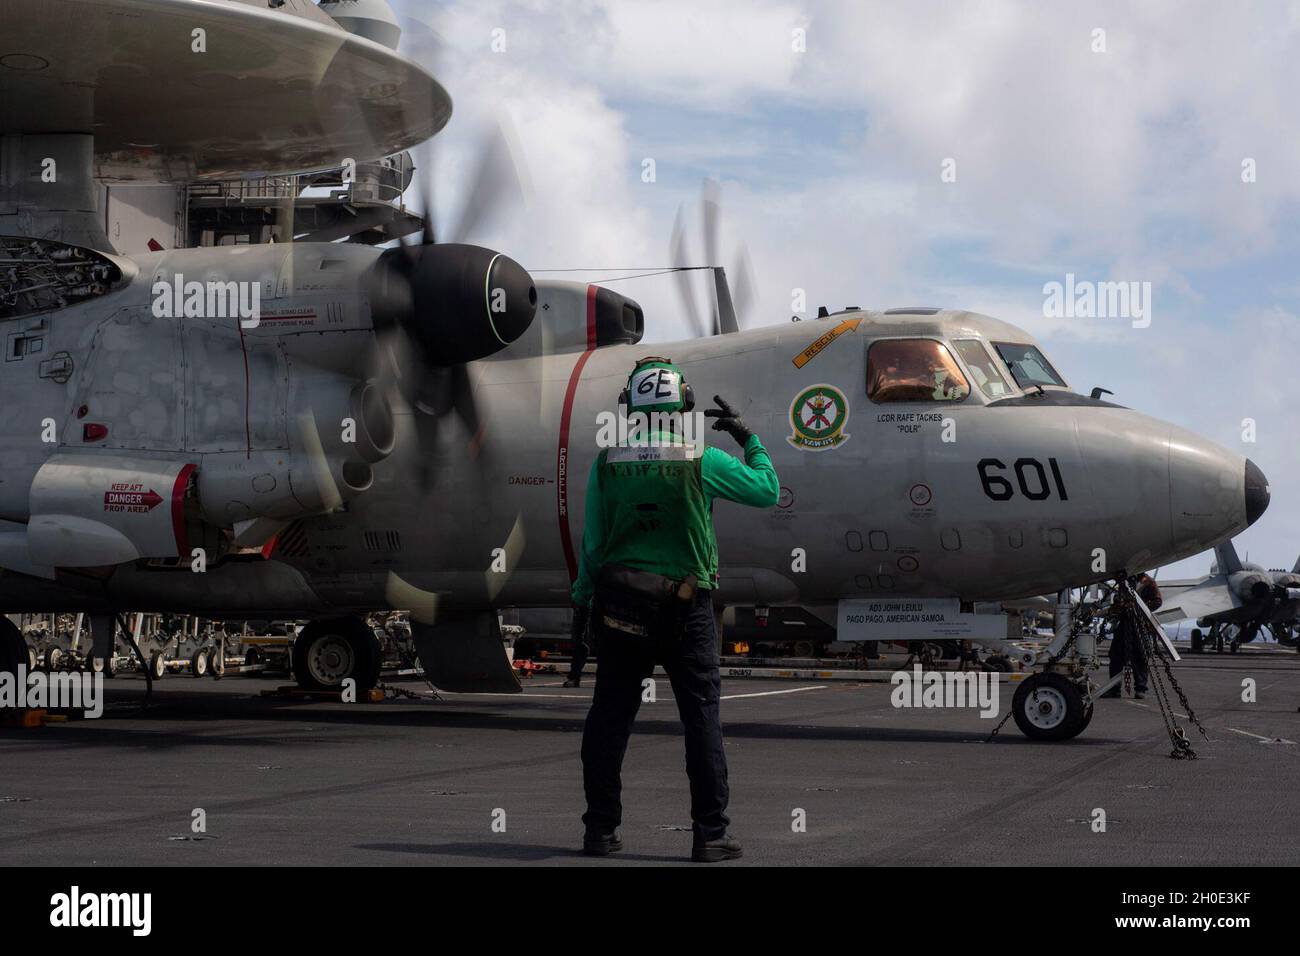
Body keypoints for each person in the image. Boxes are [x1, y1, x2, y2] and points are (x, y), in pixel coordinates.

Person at [572, 356, 779, 861]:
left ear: (629, 405)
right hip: (686, 608)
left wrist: (582, 606)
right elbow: (767, 490)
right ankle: (710, 835)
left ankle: (600, 831)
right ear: (684, 402)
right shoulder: (700, 457)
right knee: (701, 719)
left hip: (619, 608)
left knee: (608, 719)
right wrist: (748, 438)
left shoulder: (607, 463)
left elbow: (594, 547)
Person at [1103, 572, 1163, 699]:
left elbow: (1157, 601)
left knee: (1140, 656)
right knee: (1116, 656)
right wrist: (1119, 606)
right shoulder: (1125, 582)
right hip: (1125, 624)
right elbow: (1119, 601)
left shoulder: (1147, 582)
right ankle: (1115, 689)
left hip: (1140, 625)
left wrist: (1138, 608)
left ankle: (1140, 689)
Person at [562, 606, 590, 688]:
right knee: (580, 646)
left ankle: (574, 678)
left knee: (580, 646)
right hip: (584, 607)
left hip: (586, 608)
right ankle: (574, 678)